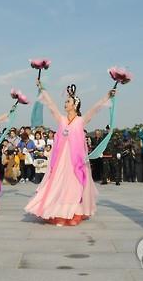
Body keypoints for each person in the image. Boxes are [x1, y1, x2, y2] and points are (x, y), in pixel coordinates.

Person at [25, 81, 115, 226]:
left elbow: (95, 109)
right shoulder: (61, 119)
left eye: (68, 101)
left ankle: (73, 212)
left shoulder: (81, 120)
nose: (65, 103)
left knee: (73, 185)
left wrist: (107, 96)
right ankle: (58, 212)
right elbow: (51, 106)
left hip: (76, 161)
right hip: (61, 160)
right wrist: (43, 89)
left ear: (75, 105)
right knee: (59, 185)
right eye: (66, 101)